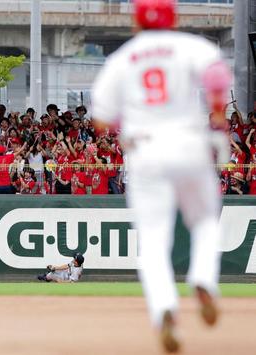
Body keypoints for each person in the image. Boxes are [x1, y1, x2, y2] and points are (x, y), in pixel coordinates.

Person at [92, 0, 231, 352]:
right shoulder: (189, 45)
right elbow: (217, 76)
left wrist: (131, 120)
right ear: (175, 19)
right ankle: (203, 279)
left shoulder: (122, 58)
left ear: (136, 23)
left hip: (146, 150)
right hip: (189, 144)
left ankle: (165, 308)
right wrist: (216, 111)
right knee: (205, 222)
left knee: (153, 240)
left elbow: (101, 117)